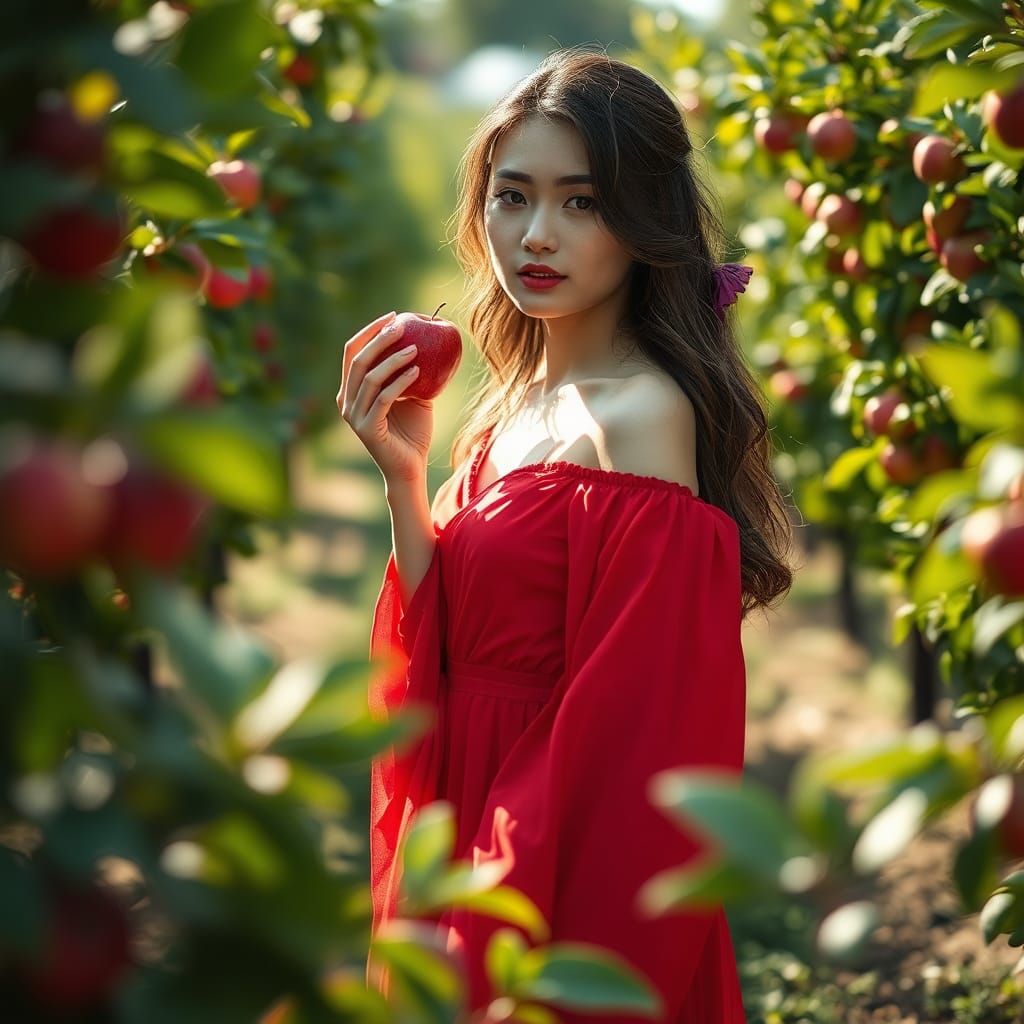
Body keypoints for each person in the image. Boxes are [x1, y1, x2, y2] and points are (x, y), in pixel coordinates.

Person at [338, 46, 795, 1023]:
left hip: (548, 847)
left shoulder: (638, 417)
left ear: (644, 221)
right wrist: (406, 482)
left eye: (580, 203)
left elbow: (635, 733)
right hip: (464, 804)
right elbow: (450, 641)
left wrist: (501, 891)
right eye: (512, 196)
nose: (536, 234)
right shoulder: (509, 405)